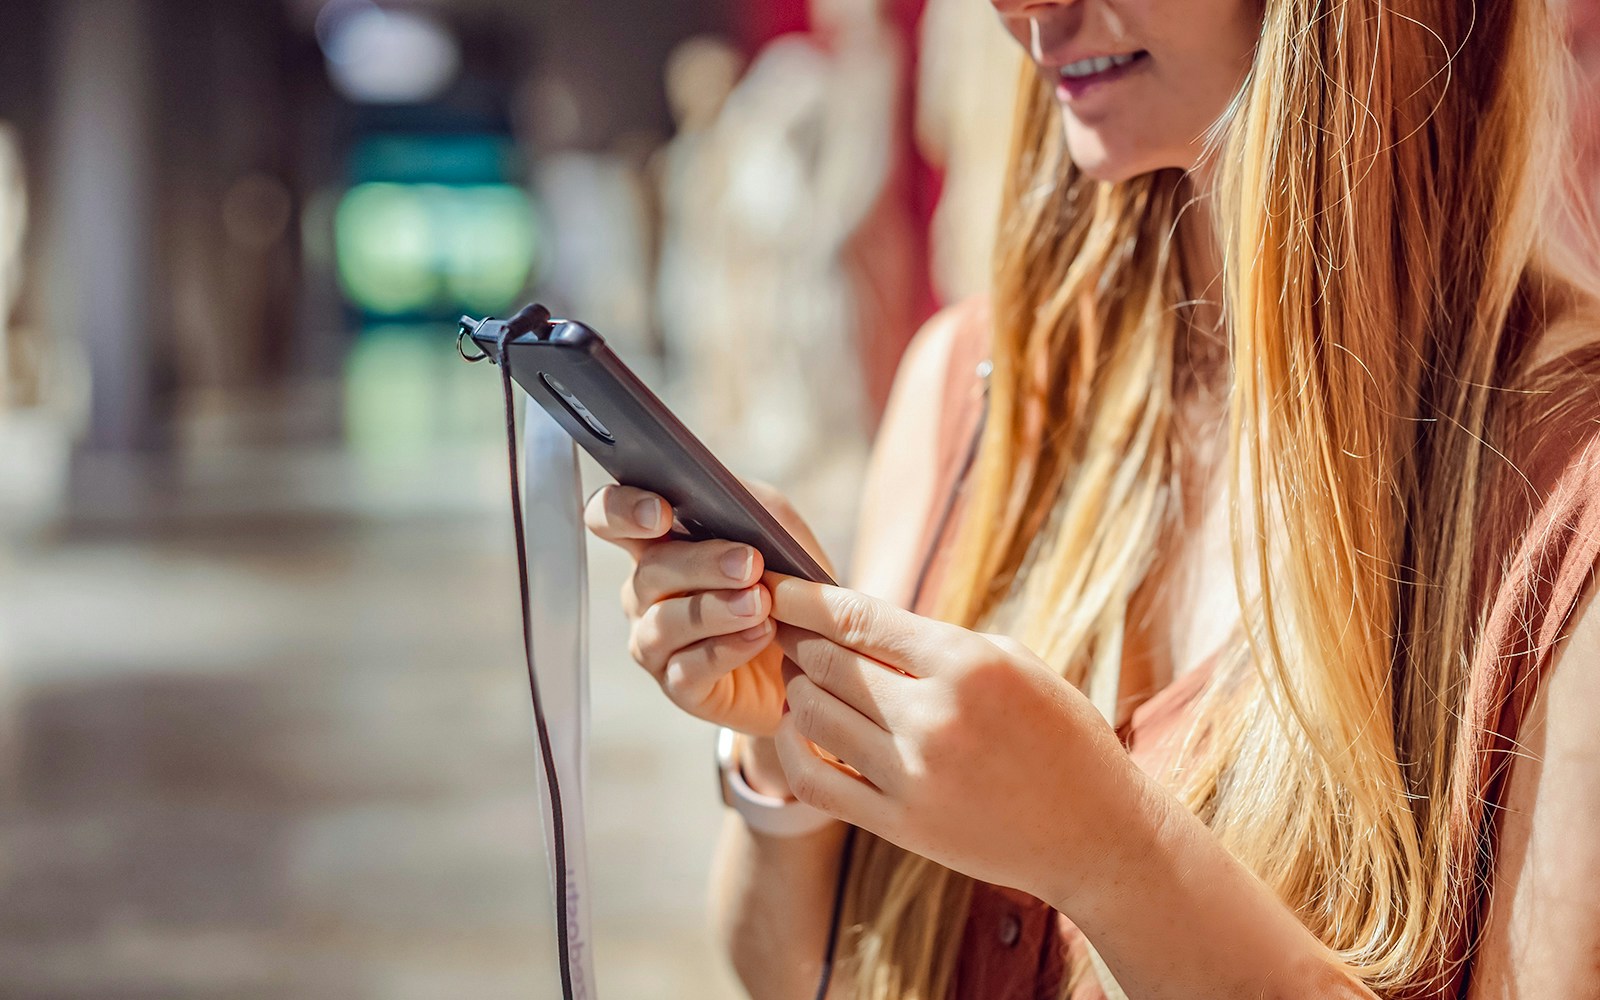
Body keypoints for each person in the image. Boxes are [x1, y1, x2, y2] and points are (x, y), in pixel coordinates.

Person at [587, 0, 1600, 996]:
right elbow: (793, 971)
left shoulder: (1565, 502)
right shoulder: (971, 390)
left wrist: (1113, 858)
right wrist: (783, 739)